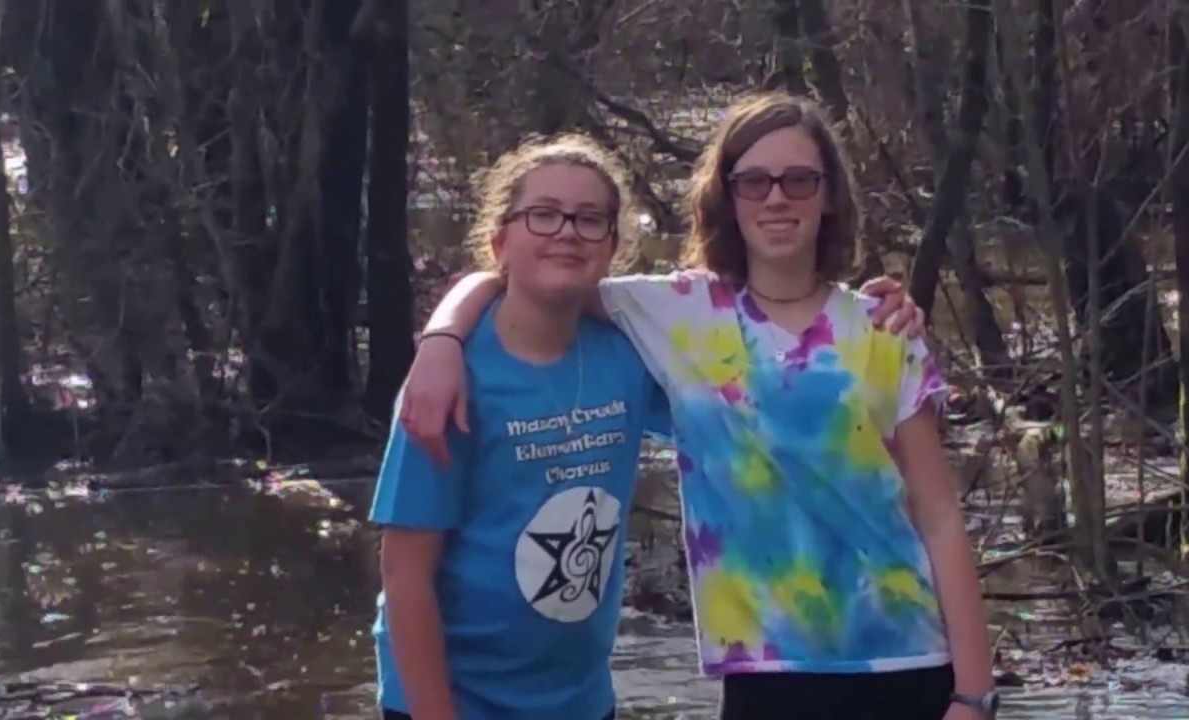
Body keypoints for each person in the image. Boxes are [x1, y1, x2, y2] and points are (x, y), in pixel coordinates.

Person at [398, 92, 997, 720]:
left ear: (828, 196)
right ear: (726, 197)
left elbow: (939, 517)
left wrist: (973, 694)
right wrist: (442, 339)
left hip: (908, 665)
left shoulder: (883, 328)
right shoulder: (677, 312)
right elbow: (529, 272)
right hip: (761, 674)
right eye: (753, 181)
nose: (776, 198)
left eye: (799, 180)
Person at [369, 133, 674, 720]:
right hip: (456, 702)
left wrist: (862, 317)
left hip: (580, 702)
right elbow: (405, 575)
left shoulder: (631, 355)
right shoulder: (449, 384)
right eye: (543, 215)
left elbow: (744, 365)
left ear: (613, 249)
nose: (566, 231)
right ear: (499, 240)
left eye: (590, 220)